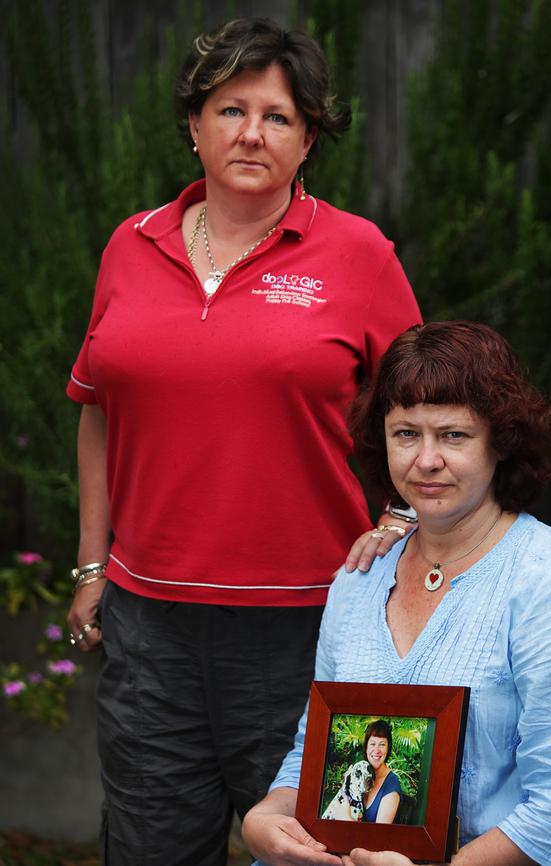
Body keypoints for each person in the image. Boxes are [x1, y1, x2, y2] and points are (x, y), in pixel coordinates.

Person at [64, 17, 420, 866]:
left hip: (314, 628)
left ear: (307, 143)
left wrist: (403, 527)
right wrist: (89, 565)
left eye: (280, 116)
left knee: (325, 851)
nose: (252, 133)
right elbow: (97, 408)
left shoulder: (357, 254)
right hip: (150, 636)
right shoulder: (131, 243)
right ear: (194, 126)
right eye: (231, 109)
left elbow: (426, 409)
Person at [242, 321, 551, 866]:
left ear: (501, 442)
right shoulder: (359, 580)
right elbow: (315, 756)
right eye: (407, 433)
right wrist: (263, 820)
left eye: (453, 435)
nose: (426, 460)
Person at [361, 720, 402, 824]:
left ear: (388, 748)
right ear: (366, 748)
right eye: (372, 744)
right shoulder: (360, 772)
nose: (376, 750)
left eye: (382, 744)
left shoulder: (391, 785)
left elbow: (379, 835)